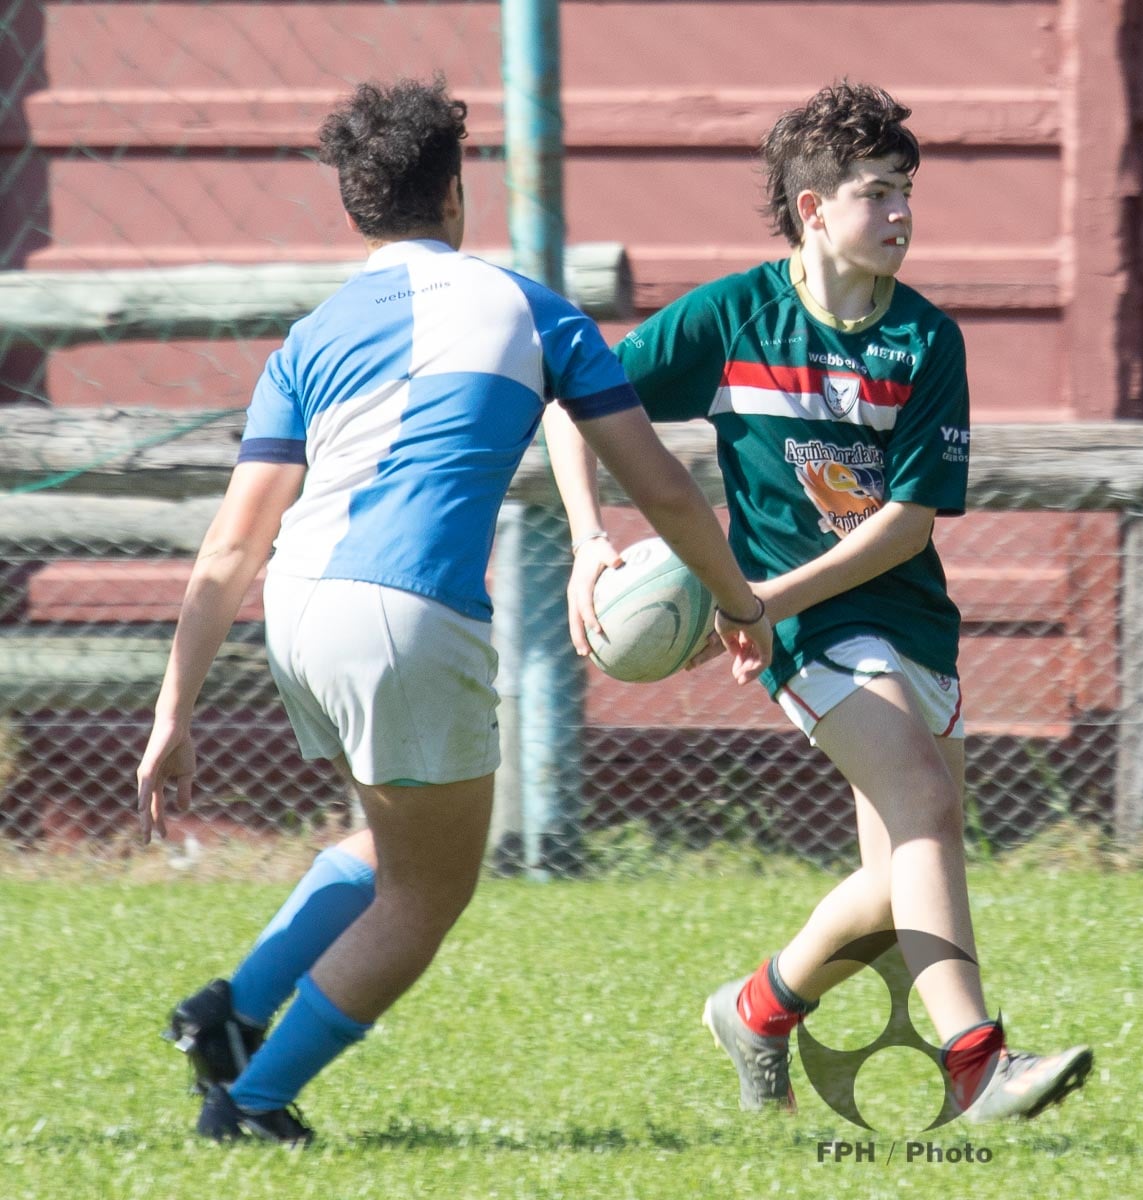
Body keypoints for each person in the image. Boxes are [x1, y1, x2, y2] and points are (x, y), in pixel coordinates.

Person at [140, 76, 771, 1146]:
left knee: (395, 840)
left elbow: (231, 543)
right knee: (430, 892)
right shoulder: (527, 305)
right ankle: (247, 1106)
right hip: (407, 614)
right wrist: (736, 600)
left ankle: (232, 1013)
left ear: (357, 206)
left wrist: (173, 710)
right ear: (454, 195)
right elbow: (662, 486)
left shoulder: (312, 337)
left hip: (297, 607)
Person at [541, 80, 1092, 1124]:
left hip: (901, 617)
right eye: (877, 193)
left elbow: (907, 523)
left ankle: (756, 1010)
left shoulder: (925, 340)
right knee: (926, 807)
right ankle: (977, 1061)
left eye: (905, 193)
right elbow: (580, 400)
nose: (900, 214)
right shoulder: (735, 317)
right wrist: (586, 542)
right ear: (813, 211)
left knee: (895, 891)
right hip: (810, 629)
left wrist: (750, 599)